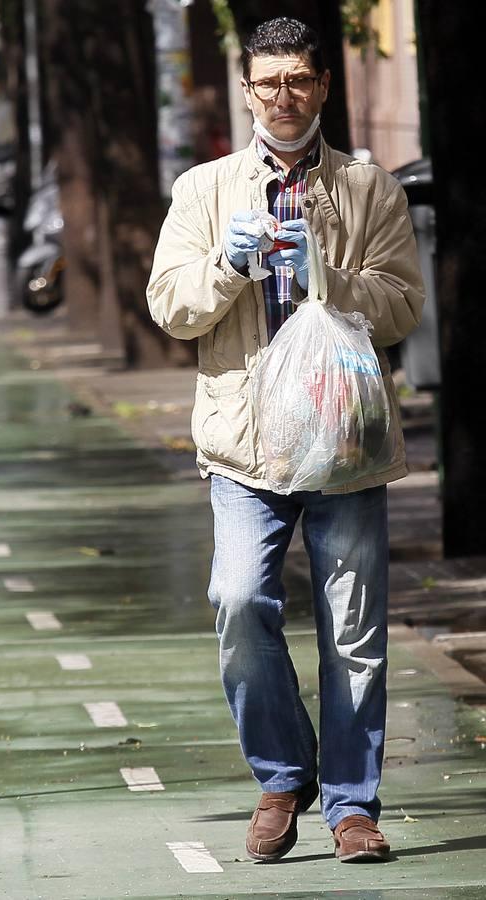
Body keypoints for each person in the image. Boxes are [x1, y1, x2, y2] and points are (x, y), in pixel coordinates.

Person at [147, 18, 424, 863]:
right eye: (267, 82)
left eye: (298, 79)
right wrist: (230, 264)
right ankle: (281, 774)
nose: (283, 96)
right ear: (246, 88)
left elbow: (404, 304)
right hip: (243, 442)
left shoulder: (368, 189)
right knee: (238, 601)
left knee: (353, 632)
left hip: (343, 438)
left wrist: (326, 277)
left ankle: (351, 807)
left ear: (322, 86)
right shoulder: (205, 190)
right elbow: (171, 307)